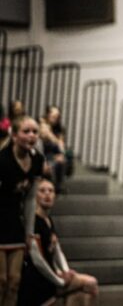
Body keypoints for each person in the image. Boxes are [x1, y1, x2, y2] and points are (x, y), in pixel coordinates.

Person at [18, 177, 99, 306]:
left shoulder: (48, 219)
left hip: (52, 276)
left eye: (51, 191)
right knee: (90, 283)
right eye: (42, 191)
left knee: (82, 290)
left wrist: (66, 271)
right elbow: (38, 261)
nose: (47, 194)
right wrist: (58, 280)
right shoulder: (33, 222)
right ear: (35, 195)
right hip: (38, 280)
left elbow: (57, 250)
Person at [0, 115, 44, 306]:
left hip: (15, 222)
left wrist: (29, 232)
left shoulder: (37, 160)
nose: (32, 136)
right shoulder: (2, 159)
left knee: (14, 282)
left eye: (35, 132)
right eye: (26, 131)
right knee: (1, 281)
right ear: (15, 135)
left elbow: (31, 199)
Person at [39, 105, 67, 193]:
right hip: (41, 154)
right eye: (53, 116)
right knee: (52, 163)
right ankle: (52, 188)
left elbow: (61, 148)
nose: (55, 119)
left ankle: (57, 187)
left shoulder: (60, 129)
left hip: (54, 154)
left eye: (57, 117)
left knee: (61, 159)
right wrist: (45, 129)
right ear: (47, 115)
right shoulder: (40, 125)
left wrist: (49, 133)